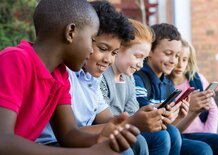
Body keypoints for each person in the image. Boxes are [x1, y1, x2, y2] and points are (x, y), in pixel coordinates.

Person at [0, 0, 140, 154]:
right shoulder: (14, 60)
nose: (90, 50)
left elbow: (68, 134)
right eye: (92, 40)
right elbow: (4, 141)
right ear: (71, 32)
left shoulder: (59, 76)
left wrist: (99, 138)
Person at [37, 1, 147, 155]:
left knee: (136, 141)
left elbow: (104, 122)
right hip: (48, 144)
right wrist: (131, 122)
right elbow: (68, 134)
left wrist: (135, 120)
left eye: (114, 53)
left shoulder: (89, 78)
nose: (108, 59)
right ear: (73, 34)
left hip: (72, 141)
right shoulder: (59, 73)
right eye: (102, 48)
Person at [99, 20, 182, 155]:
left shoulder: (129, 78)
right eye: (137, 57)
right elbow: (104, 118)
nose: (140, 65)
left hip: (126, 125)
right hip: (105, 128)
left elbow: (132, 110)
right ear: (119, 49)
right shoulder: (103, 76)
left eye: (143, 59)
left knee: (168, 134)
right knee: (143, 141)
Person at [168, 39, 218, 155]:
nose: (180, 64)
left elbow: (213, 109)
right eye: (178, 58)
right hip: (178, 134)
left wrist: (209, 133)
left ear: (189, 61)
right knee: (202, 149)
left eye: (184, 60)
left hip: (201, 132)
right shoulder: (164, 85)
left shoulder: (197, 80)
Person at [133, 23, 186, 155]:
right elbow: (145, 113)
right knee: (166, 135)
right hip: (140, 130)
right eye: (168, 53)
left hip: (164, 133)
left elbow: (169, 124)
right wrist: (165, 113)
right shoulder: (138, 77)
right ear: (149, 51)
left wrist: (178, 116)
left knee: (209, 146)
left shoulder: (168, 85)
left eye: (177, 55)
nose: (174, 61)